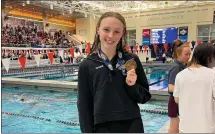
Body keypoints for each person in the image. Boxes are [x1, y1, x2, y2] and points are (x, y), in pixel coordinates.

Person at [77, 12, 151, 133]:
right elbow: (84, 106)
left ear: (122, 34)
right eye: (106, 29)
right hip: (102, 127)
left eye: (117, 31)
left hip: (132, 124)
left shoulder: (131, 60)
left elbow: (145, 97)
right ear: (98, 30)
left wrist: (132, 86)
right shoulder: (87, 65)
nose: (111, 35)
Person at [173, 43, 215, 133]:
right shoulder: (212, 75)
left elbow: (176, 99)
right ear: (209, 58)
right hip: (206, 127)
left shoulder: (180, 75)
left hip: (185, 127)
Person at [168, 39, 191, 133]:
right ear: (178, 54)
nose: (189, 57)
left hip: (178, 101)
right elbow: (171, 87)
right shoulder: (176, 67)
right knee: (174, 127)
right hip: (174, 102)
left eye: (190, 54)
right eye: (186, 54)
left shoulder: (183, 66)